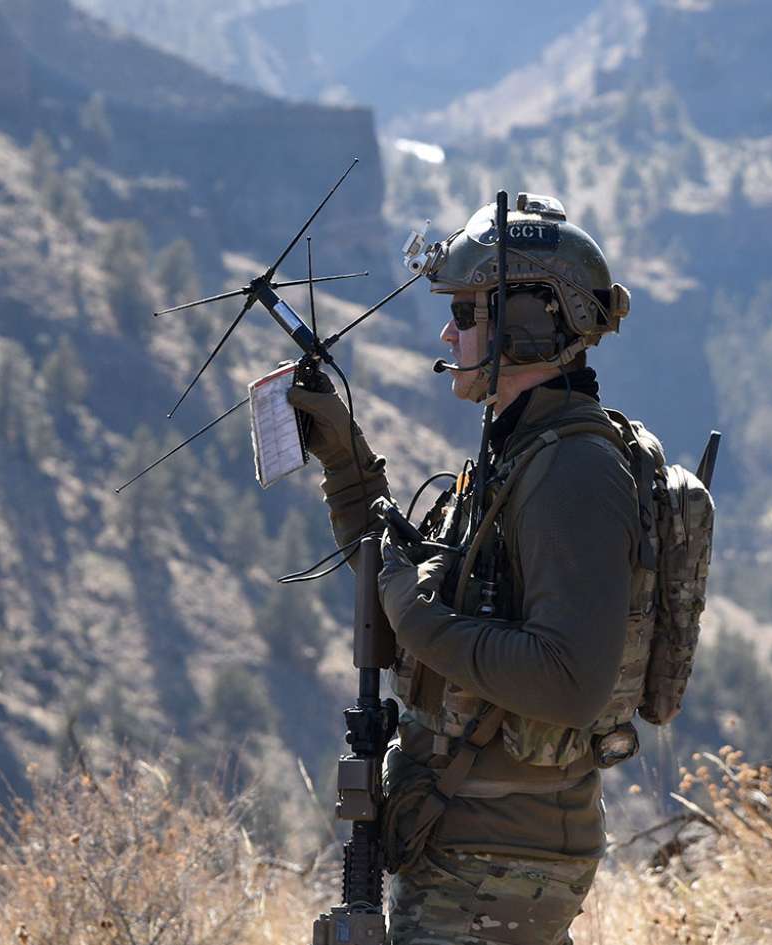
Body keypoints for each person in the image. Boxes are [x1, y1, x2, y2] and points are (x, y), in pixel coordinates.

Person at [289, 193, 642, 945]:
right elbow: (402, 599)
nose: (449, 331)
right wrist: (346, 463)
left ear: (529, 319)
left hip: (499, 857)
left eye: (468, 313)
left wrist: (417, 615)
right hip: (471, 844)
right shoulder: (519, 455)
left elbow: (567, 680)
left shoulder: (573, 471)